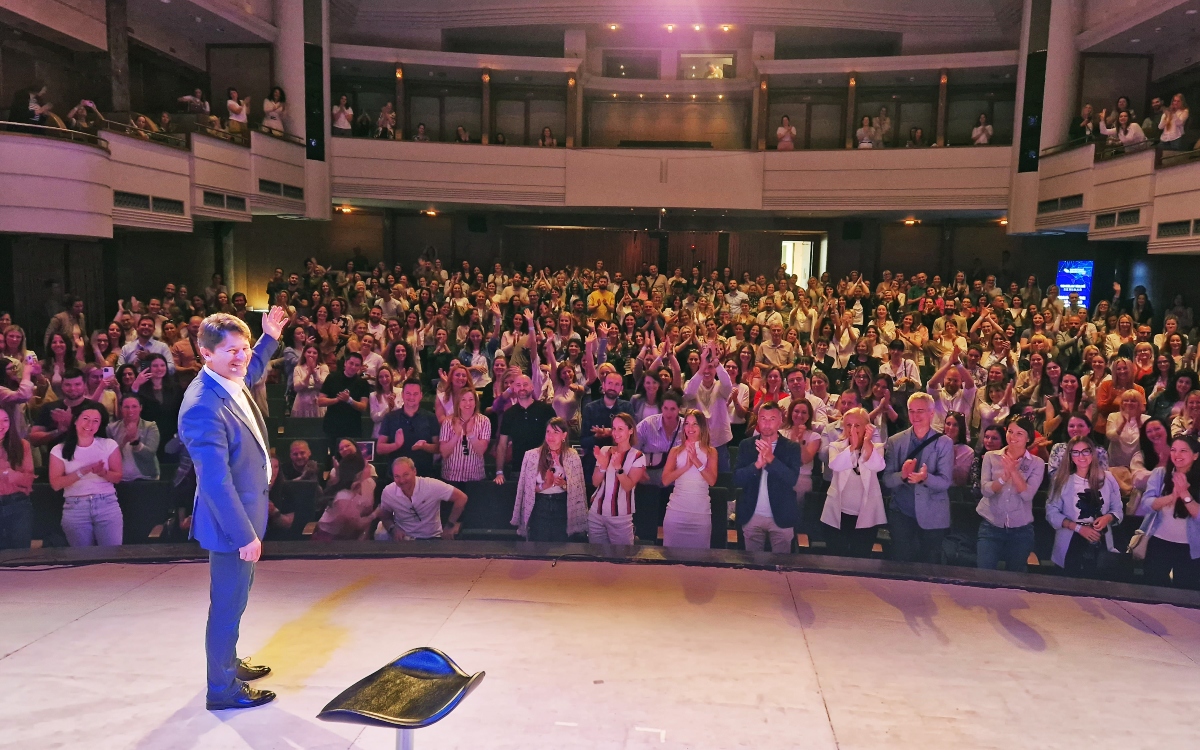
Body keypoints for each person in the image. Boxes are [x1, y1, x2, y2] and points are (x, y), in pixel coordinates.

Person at [176, 307, 287, 711]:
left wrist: (268, 337)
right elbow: (215, 482)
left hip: (245, 516)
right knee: (226, 606)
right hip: (231, 526)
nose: (241, 358)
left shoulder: (229, 377)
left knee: (235, 600)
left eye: (243, 349)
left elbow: (253, 370)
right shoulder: (203, 405)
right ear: (206, 354)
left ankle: (228, 663)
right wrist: (244, 536)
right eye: (231, 351)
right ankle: (221, 690)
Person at [883, 392, 955, 564]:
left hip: (933, 514)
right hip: (902, 512)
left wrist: (925, 478)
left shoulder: (944, 443)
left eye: (920, 411)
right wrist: (903, 475)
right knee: (901, 562)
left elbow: (945, 481)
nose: (915, 416)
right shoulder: (895, 441)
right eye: (911, 411)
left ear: (931, 413)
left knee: (929, 565)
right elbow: (886, 480)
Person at [48, 400, 123, 547]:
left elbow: (118, 476)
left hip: (106, 504)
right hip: (75, 507)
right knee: (82, 559)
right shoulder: (59, 450)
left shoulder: (108, 444)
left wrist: (103, 473)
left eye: (95, 421)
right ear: (76, 421)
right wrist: (82, 472)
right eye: (85, 419)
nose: (90, 424)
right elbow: (56, 484)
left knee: (112, 556)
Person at [1045, 436, 1122, 576]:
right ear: (1070, 456)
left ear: (1092, 453)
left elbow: (1117, 509)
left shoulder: (1108, 478)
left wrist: (1108, 518)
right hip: (1071, 540)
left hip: (1101, 539)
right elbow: (1051, 512)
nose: (1081, 456)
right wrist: (1079, 528)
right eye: (1076, 452)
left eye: (1085, 451)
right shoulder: (1061, 480)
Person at [977, 416, 1045, 572]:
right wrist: (1002, 479)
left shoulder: (1037, 463)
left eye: (1019, 434)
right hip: (991, 526)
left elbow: (1027, 495)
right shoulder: (990, 457)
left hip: (1020, 530)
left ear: (1028, 438)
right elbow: (985, 490)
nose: (1013, 437)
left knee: (1015, 578)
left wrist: (1013, 472)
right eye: (1010, 431)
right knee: (983, 575)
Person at [733, 402, 800, 553]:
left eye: (772, 419)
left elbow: (792, 479)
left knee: (782, 568)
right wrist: (756, 465)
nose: (767, 424)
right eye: (763, 418)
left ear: (780, 421)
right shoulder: (746, 445)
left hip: (781, 516)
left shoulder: (791, 447)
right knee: (753, 568)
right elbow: (737, 479)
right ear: (758, 420)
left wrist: (772, 460)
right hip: (752, 515)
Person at [822, 407, 887, 557]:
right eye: (848, 425)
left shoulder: (877, 447)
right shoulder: (836, 446)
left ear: (867, 427)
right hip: (838, 513)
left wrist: (866, 443)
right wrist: (852, 446)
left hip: (867, 515)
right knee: (836, 558)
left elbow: (877, 466)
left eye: (857, 425)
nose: (852, 429)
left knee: (861, 559)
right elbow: (835, 465)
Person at [1136, 436, 1200, 588]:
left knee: (1185, 594)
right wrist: (1172, 497)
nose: (1177, 455)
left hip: (1190, 548)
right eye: (1173, 450)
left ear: (1195, 455)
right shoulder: (1160, 474)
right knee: (1153, 588)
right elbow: (1146, 504)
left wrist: (1185, 495)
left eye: (1183, 451)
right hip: (1158, 542)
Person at [512, 417, 588, 542]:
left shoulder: (572, 456)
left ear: (564, 435)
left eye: (555, 432)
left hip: (562, 506)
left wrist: (564, 484)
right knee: (539, 546)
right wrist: (545, 485)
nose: (550, 436)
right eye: (548, 432)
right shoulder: (531, 455)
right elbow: (526, 490)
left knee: (560, 546)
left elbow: (578, 490)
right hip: (540, 505)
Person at [660, 409, 719, 548]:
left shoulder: (711, 451)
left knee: (698, 561)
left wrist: (696, 461)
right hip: (676, 513)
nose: (690, 428)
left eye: (695, 424)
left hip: (700, 515)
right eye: (687, 423)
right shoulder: (676, 451)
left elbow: (712, 480)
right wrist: (685, 467)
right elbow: (665, 480)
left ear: (702, 427)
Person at [588, 413, 646, 545]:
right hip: (596, 514)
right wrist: (602, 466)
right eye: (614, 428)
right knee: (596, 557)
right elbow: (595, 482)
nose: (616, 432)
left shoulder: (638, 456)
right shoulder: (605, 450)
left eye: (620, 428)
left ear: (630, 430)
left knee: (622, 559)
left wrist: (618, 468)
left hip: (620, 517)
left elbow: (628, 486)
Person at [376, 456, 468, 540]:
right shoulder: (388, 491)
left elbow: (461, 498)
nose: (402, 480)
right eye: (397, 476)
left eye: (405, 475)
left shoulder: (431, 485)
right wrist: (393, 529)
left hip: (432, 538)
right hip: (403, 540)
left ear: (414, 471)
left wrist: (450, 526)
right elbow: (385, 516)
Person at [494, 374, 555, 483]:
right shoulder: (509, 414)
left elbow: (557, 439)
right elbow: (502, 445)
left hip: (544, 469)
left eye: (525, 384)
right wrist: (499, 472)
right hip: (518, 471)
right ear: (514, 389)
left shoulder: (546, 410)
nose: (522, 388)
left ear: (532, 387)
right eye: (518, 385)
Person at [376, 379, 440, 478]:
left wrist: (424, 446)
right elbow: (379, 448)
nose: (411, 397)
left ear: (421, 395)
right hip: (397, 478)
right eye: (408, 393)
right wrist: (396, 445)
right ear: (402, 394)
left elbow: (438, 448)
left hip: (424, 476)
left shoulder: (430, 417)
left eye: (415, 394)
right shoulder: (390, 417)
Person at [312, 450, 375, 541]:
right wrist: (376, 514)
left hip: (353, 539)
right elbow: (356, 524)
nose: (370, 467)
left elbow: (367, 510)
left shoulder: (369, 483)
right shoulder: (343, 496)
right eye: (367, 466)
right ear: (358, 474)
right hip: (328, 540)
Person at [0, 404, 34, 551]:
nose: (1, 426)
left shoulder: (22, 445)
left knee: (20, 553)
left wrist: (7, 472)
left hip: (18, 504)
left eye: (5, 420)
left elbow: (28, 480)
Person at [317, 352, 370, 446]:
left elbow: (363, 407)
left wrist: (349, 400)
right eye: (351, 363)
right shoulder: (332, 377)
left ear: (360, 367)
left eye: (357, 365)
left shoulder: (363, 383)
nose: (353, 367)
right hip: (332, 425)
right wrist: (337, 400)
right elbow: (320, 401)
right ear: (345, 363)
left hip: (353, 427)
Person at [438, 388, 491, 482]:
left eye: (471, 400)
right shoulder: (448, 422)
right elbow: (444, 453)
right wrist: (457, 435)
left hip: (475, 477)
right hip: (451, 476)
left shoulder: (484, 421)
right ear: (458, 403)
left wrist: (471, 434)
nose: (468, 403)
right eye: (463, 400)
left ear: (476, 402)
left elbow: (481, 451)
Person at [107, 394, 160, 481]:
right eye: (126, 407)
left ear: (141, 408)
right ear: (121, 409)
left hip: (146, 477)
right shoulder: (111, 428)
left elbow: (150, 455)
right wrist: (125, 440)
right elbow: (110, 458)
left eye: (134, 406)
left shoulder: (150, 426)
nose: (130, 410)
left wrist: (135, 441)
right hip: (120, 478)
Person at [291, 345, 328, 418]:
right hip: (301, 404)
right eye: (309, 352)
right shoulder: (298, 368)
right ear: (304, 354)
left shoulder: (324, 367)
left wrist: (314, 374)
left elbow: (323, 386)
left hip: (318, 405)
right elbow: (297, 387)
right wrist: (308, 374)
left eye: (314, 353)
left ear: (318, 355)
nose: (311, 354)